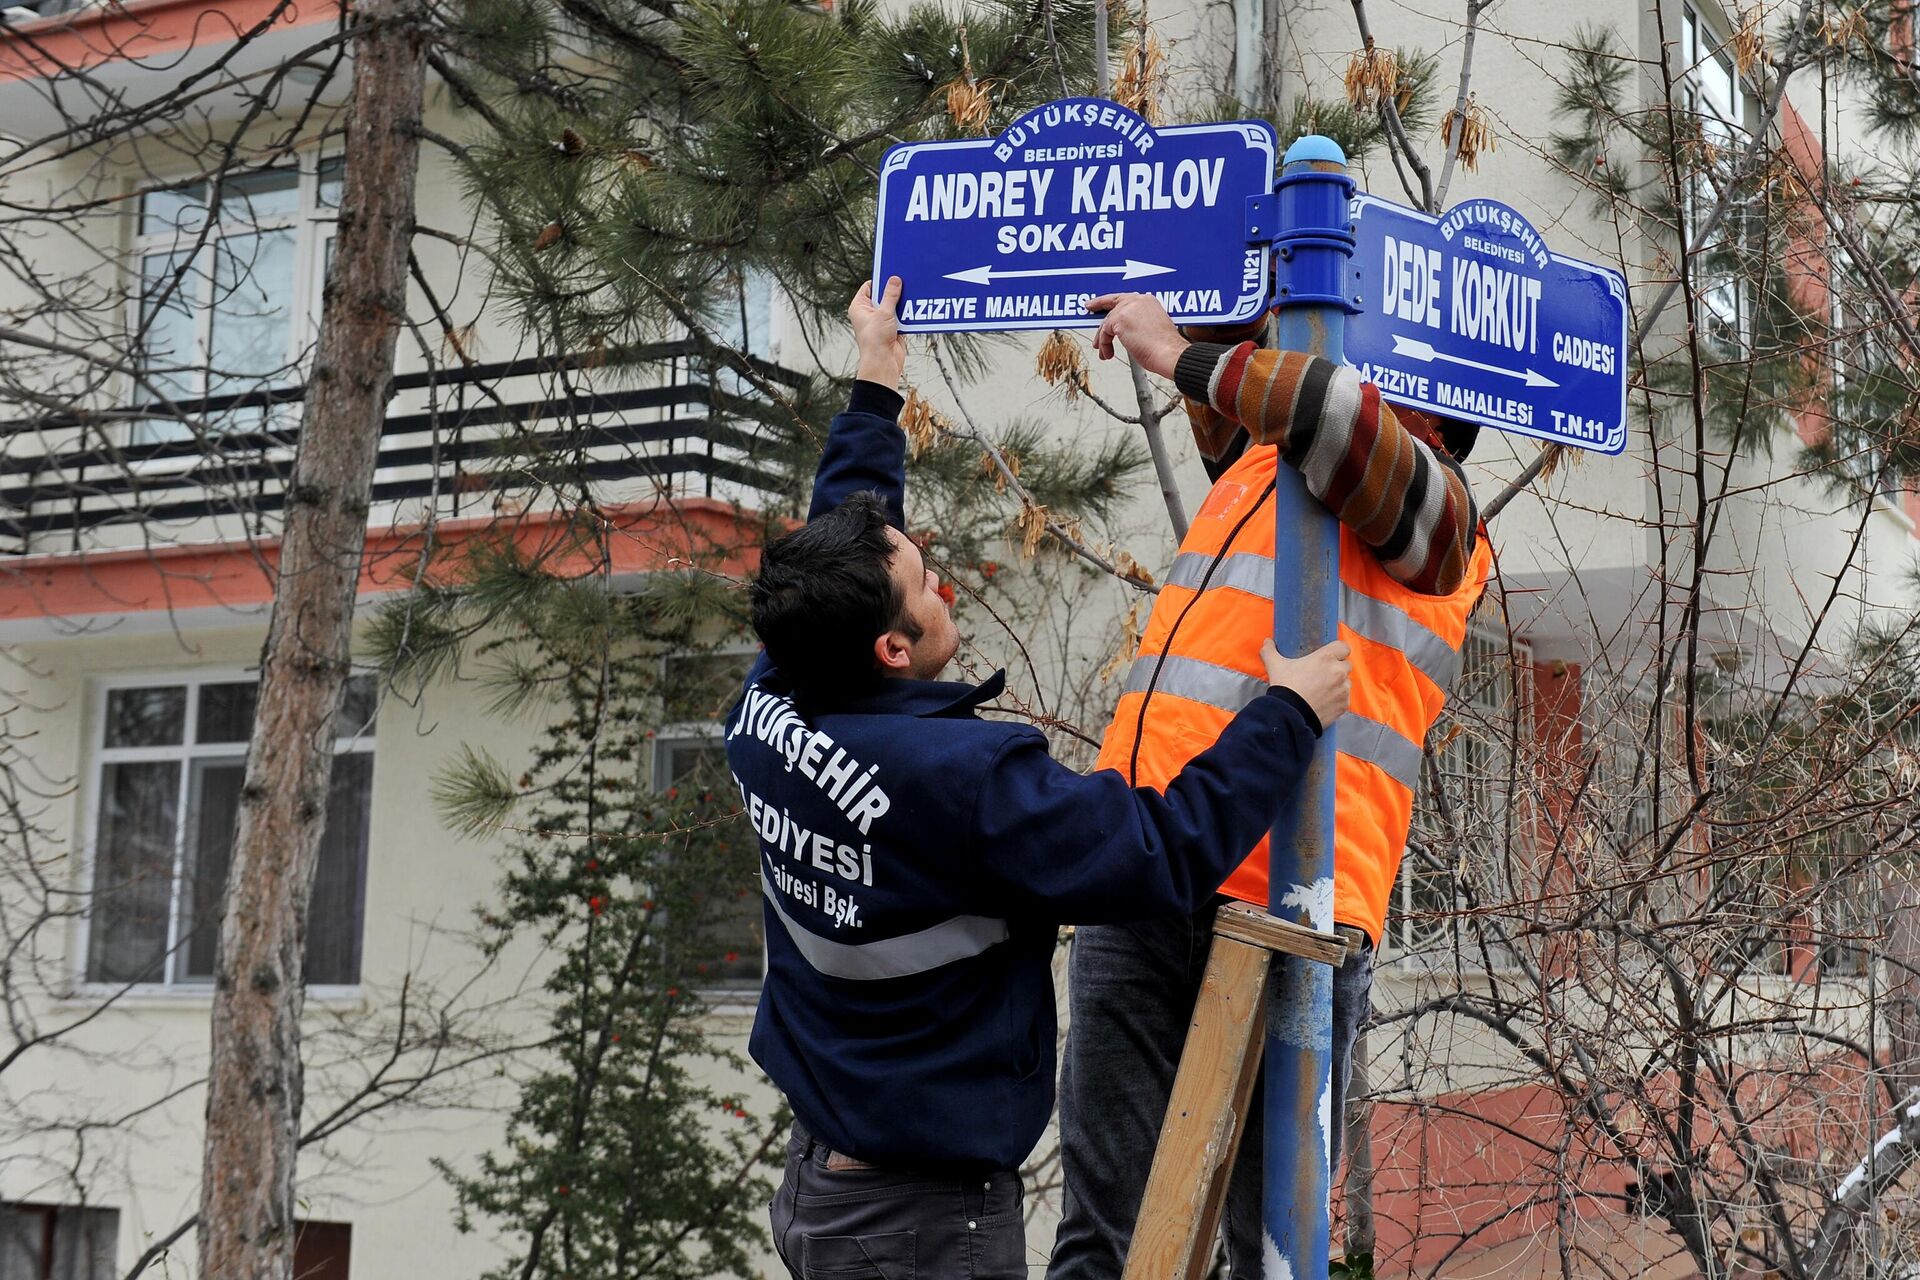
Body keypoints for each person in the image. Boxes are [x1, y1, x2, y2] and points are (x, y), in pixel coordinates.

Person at [728, 277, 1354, 1280]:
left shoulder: (773, 699)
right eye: (927, 586)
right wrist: (1286, 715)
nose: (944, 579)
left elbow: (841, 543)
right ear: (890, 649)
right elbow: (1160, 849)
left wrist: (876, 386)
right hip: (920, 1225)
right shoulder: (960, 780)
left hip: (827, 1189)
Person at [1046, 293, 1492, 1280]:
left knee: (1271, 1244)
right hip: (1146, 857)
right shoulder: (1265, 467)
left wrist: (1170, 351)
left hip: (1290, 897)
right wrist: (1196, 300)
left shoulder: (1440, 514)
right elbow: (1260, 396)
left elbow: (1333, 413)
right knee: (1105, 1229)